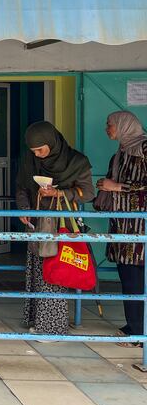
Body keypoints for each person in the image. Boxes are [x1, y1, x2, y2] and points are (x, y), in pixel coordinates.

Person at [17, 121, 93, 336]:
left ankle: (51, 327)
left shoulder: (76, 161)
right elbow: (22, 186)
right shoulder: (30, 160)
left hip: (61, 227)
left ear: (52, 142)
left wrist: (59, 194)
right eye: (33, 151)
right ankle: (36, 320)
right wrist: (23, 208)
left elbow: (88, 193)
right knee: (36, 272)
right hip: (37, 224)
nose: (38, 155)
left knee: (54, 273)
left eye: (41, 149)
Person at [96, 111, 147, 346]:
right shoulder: (120, 154)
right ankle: (134, 327)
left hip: (140, 227)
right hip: (122, 226)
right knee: (128, 279)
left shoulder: (144, 148)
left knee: (136, 279)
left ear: (124, 126)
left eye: (110, 124)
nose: (108, 128)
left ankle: (138, 332)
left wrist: (117, 186)